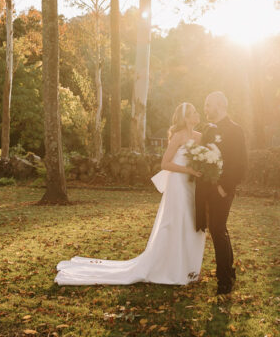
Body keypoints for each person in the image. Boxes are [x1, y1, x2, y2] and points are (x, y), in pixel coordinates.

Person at [54, 102, 207, 286]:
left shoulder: (200, 137)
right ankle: (172, 267)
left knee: (191, 223)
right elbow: (165, 164)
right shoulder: (177, 136)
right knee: (177, 223)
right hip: (179, 185)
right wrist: (188, 170)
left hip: (193, 186)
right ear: (185, 118)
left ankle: (190, 268)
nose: (197, 114)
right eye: (194, 112)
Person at [195, 91, 248, 295]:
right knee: (218, 229)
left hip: (222, 189)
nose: (206, 109)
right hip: (206, 188)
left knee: (217, 229)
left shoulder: (235, 130)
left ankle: (224, 281)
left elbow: (239, 163)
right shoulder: (207, 129)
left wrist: (224, 187)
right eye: (205, 105)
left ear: (220, 105)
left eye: (208, 105)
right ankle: (229, 271)